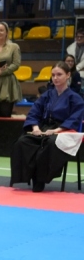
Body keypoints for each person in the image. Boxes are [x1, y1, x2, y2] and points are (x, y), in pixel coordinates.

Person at [10, 62, 84, 192]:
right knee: (22, 142)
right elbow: (34, 112)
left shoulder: (75, 98)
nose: (55, 78)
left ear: (68, 75)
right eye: (53, 75)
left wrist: (57, 130)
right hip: (44, 127)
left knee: (50, 143)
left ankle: (40, 179)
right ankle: (29, 176)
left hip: (65, 130)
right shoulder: (47, 95)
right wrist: (35, 128)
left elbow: (74, 119)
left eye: (59, 74)